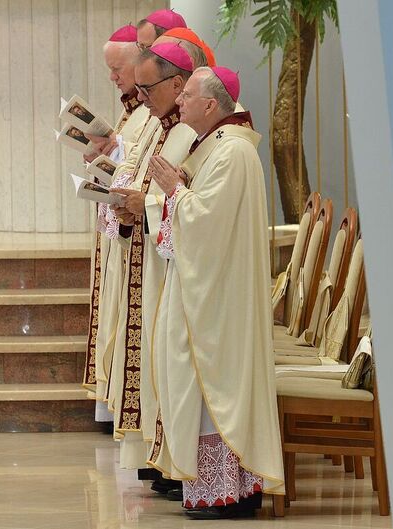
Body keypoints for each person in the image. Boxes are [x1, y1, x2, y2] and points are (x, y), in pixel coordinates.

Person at [147, 66, 285, 519]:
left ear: (210, 104)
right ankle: (219, 488)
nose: (179, 101)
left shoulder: (232, 155)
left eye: (186, 95)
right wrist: (180, 190)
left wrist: (175, 191)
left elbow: (207, 224)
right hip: (211, 288)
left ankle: (226, 492)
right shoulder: (217, 148)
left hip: (220, 297)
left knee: (213, 385)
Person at [106, 42, 197, 496]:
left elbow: (194, 200)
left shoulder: (193, 133)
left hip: (174, 269)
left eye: (147, 87)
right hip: (151, 256)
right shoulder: (161, 126)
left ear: (178, 83)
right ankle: (160, 454)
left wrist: (149, 206)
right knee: (155, 361)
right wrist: (130, 209)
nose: (140, 97)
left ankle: (174, 458)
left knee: (170, 365)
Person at [82, 24, 152, 434]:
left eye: (117, 68)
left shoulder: (153, 113)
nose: (114, 78)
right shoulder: (137, 110)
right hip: (128, 230)